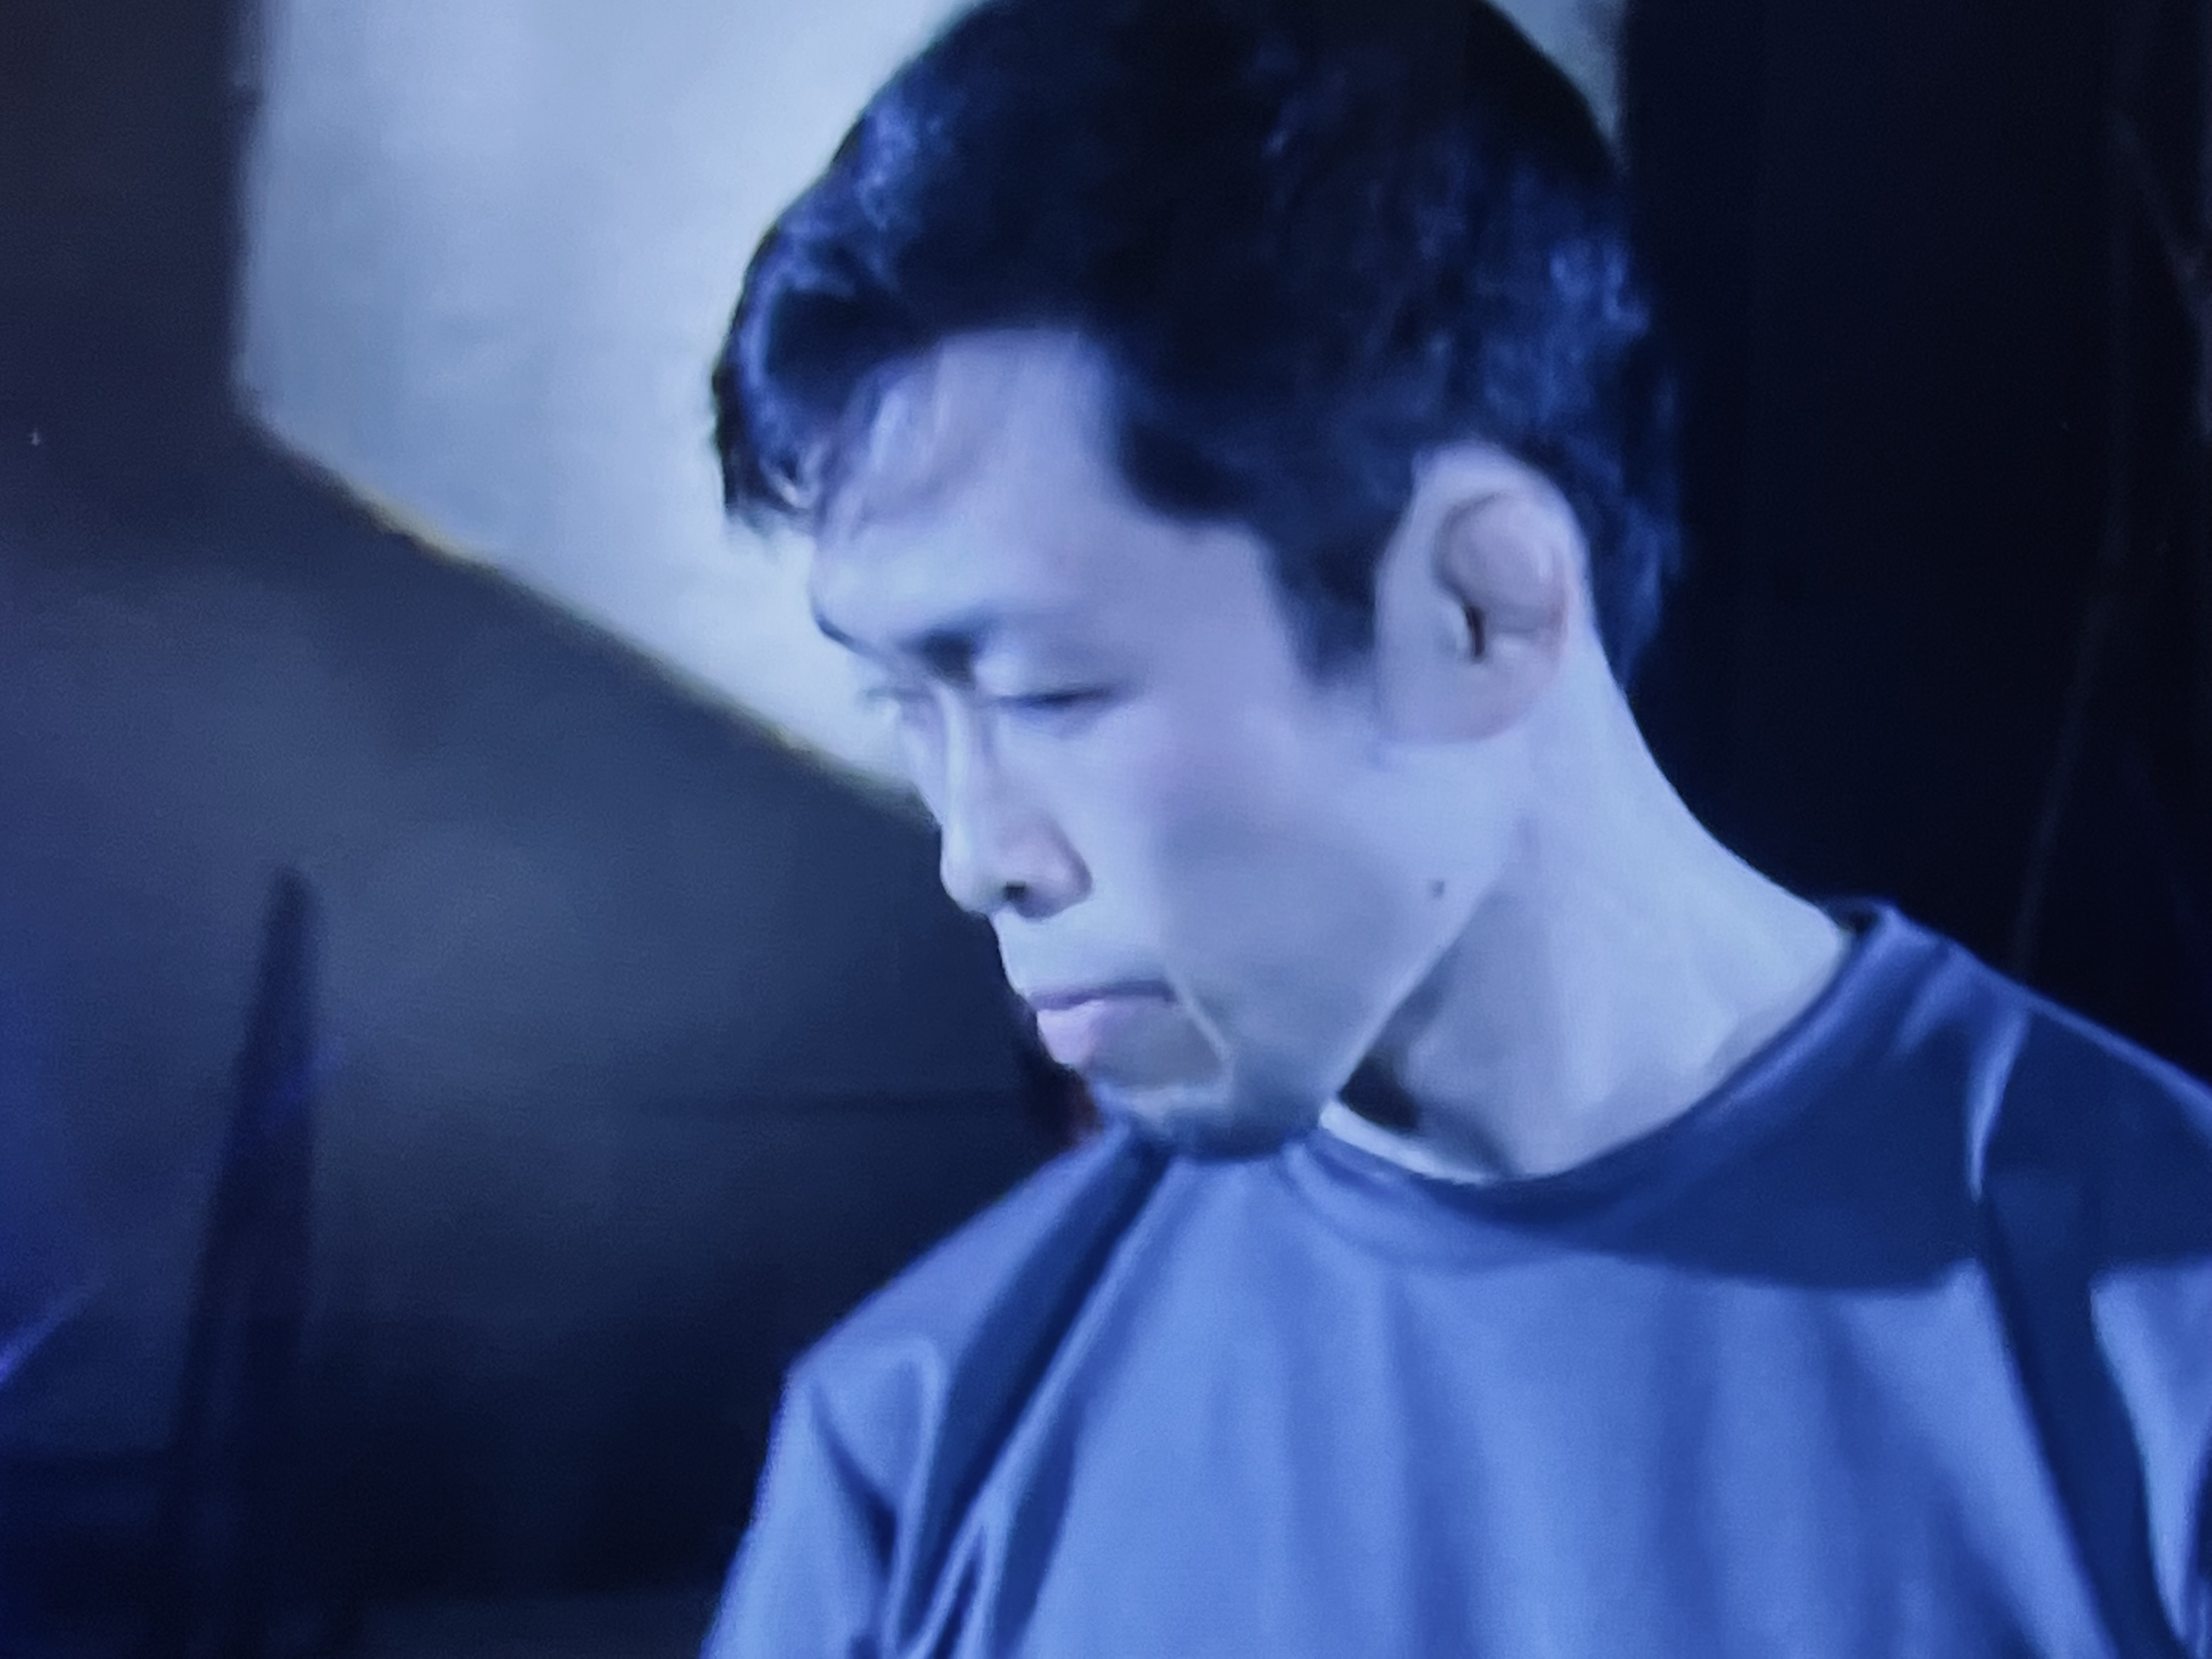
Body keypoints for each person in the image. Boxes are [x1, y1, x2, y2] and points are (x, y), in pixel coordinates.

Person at [698, 1, 2212, 1652]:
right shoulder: (915, 1443)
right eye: (905, 707)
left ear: (1484, 606)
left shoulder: (2164, 1344)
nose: (976, 850)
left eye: (1047, 690)